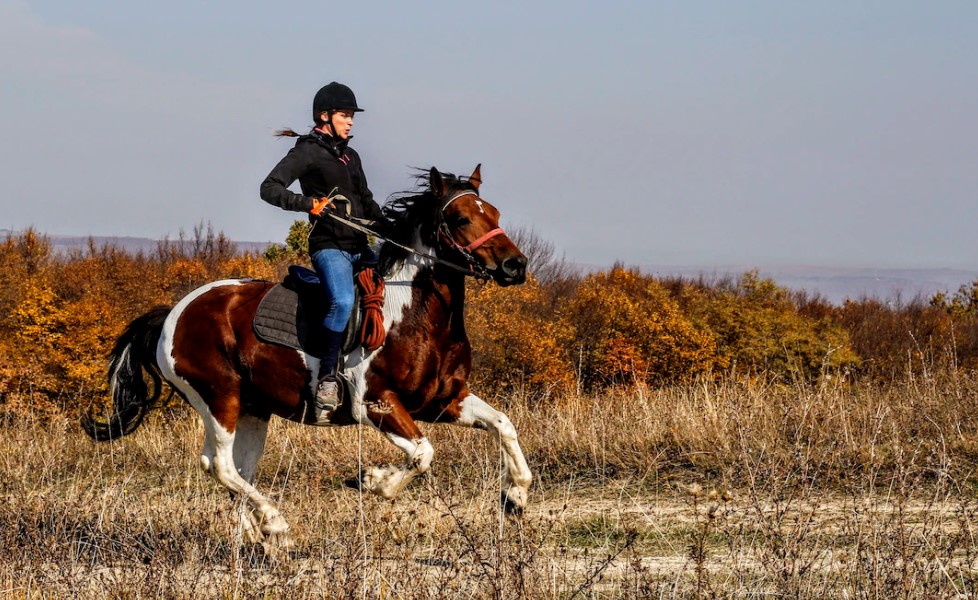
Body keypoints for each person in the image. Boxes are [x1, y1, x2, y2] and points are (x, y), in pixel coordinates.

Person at [260, 82, 386, 413]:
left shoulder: (350, 155)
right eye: (346, 115)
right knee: (343, 301)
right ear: (325, 116)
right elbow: (269, 188)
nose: (351, 122)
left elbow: (366, 200)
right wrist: (307, 204)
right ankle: (327, 378)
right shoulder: (306, 152)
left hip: (360, 245)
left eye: (351, 116)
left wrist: (388, 225)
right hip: (329, 247)